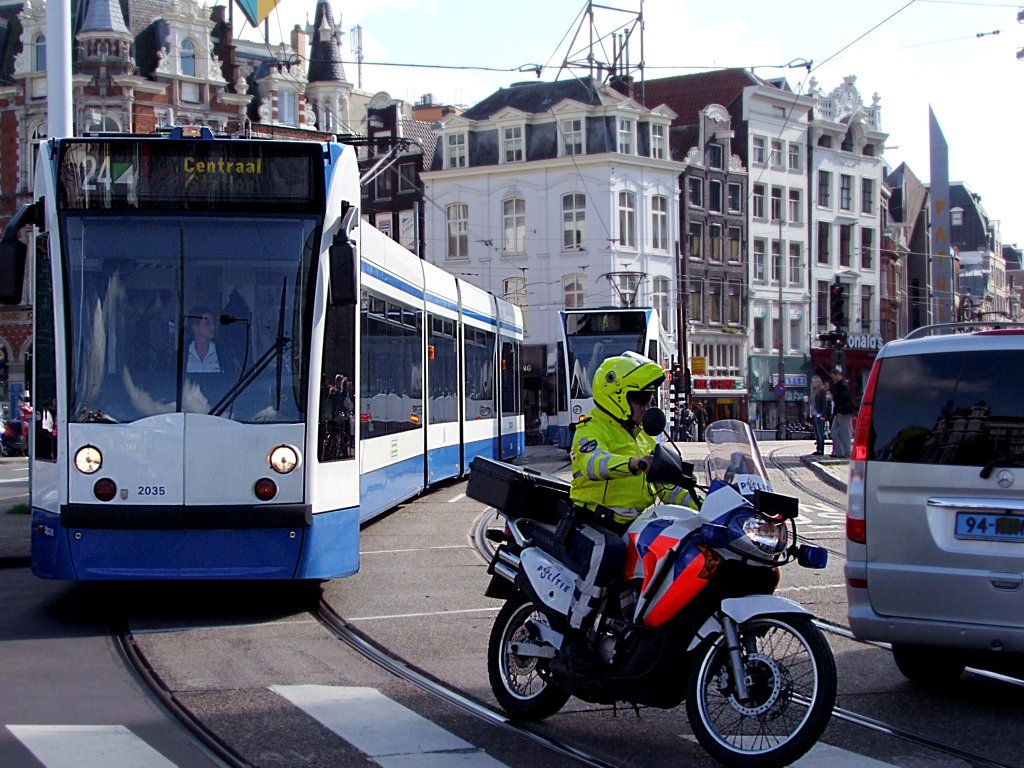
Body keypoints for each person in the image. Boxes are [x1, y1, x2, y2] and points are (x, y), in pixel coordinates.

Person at [567, 351, 699, 649]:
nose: (647, 406)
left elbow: (667, 488)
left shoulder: (646, 439)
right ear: (618, 396)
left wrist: (703, 508)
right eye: (641, 398)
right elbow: (590, 463)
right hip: (592, 522)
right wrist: (631, 464)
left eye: (650, 399)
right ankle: (575, 633)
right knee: (608, 550)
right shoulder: (591, 428)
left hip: (633, 526)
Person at [186, 307, 222, 373]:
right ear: (195, 327)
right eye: (207, 323)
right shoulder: (183, 354)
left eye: (213, 323)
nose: (213, 327)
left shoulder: (222, 352)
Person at [830, 366, 855, 459]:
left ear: (838, 375)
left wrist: (841, 410)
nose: (833, 379)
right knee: (834, 432)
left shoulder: (844, 386)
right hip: (838, 412)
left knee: (845, 433)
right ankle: (838, 451)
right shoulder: (837, 386)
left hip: (844, 412)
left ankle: (847, 452)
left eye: (833, 377)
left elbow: (846, 399)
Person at [810, 374, 827, 456]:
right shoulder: (812, 391)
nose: (815, 384)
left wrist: (823, 415)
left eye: (816, 382)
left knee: (820, 432)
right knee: (816, 432)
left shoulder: (822, 391)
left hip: (819, 414)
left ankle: (821, 450)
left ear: (819, 382)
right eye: (813, 382)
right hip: (813, 414)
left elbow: (824, 403)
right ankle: (818, 449)